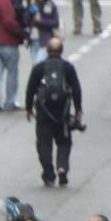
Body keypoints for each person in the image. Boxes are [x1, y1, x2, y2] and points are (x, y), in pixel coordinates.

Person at [26, 35, 83, 187]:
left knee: (44, 144)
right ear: (61, 50)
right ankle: (62, 167)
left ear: (47, 50)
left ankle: (49, 174)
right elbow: (76, 88)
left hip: (44, 113)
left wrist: (28, 108)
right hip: (63, 113)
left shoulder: (39, 68)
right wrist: (78, 109)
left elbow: (31, 88)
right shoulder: (68, 67)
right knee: (64, 142)